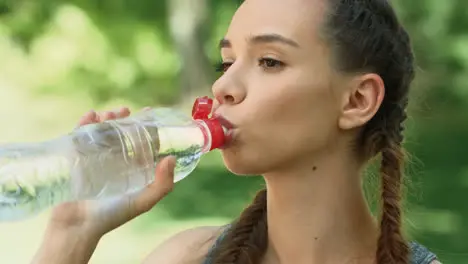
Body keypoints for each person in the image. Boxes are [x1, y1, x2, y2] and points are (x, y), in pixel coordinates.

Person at [31, 0, 441, 263]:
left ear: (357, 101)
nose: (222, 87)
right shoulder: (185, 258)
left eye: (268, 61)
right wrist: (71, 233)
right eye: (226, 63)